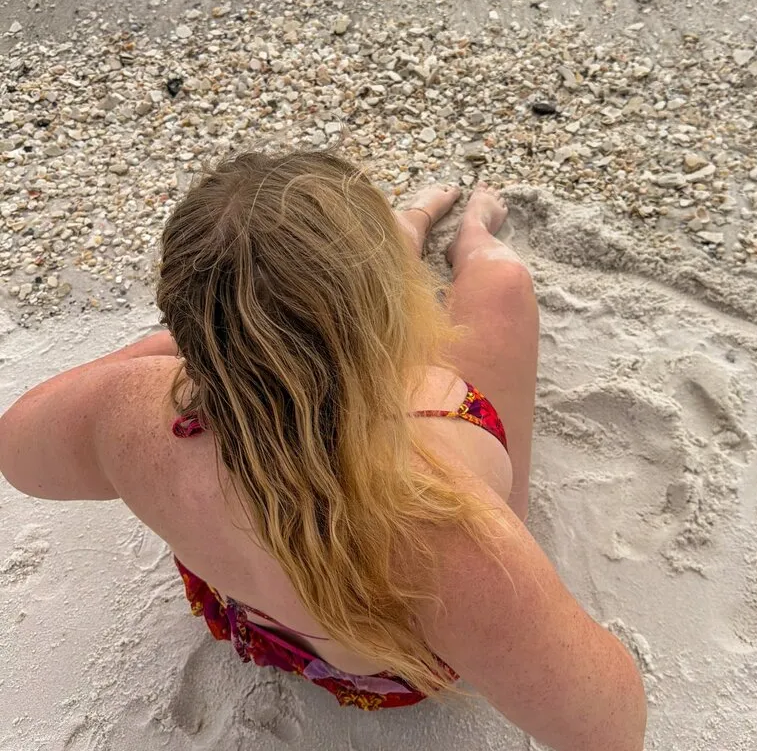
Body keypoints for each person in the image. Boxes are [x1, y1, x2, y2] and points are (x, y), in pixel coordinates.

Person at [0, 149, 647, 749]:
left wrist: (204, 351)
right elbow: (608, 729)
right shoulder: (447, 532)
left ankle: (410, 221)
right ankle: (470, 234)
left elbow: (18, 451)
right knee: (501, 290)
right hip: (384, 667)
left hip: (250, 619)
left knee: (305, 272)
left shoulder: (123, 413)